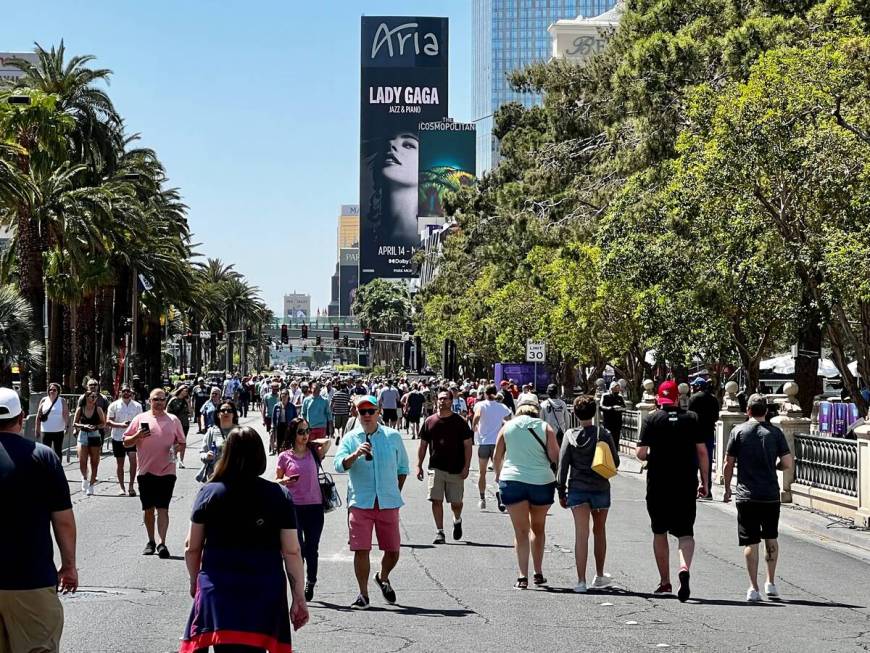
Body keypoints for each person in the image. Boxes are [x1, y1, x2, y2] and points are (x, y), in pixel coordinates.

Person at [180, 426, 308, 652]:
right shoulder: (279, 495)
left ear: (226, 453)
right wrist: (298, 596)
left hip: (219, 589)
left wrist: (194, 581)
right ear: (259, 455)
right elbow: (292, 551)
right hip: (264, 589)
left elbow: (192, 546)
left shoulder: (209, 492)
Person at [0, 387, 78, 653]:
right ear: (22, 417)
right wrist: (69, 566)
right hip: (31, 580)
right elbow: (63, 521)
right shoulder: (43, 456)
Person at [333, 395, 409, 609]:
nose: (366, 415)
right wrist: (355, 455)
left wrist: (394, 491)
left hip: (387, 502)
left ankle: (382, 576)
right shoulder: (350, 438)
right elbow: (339, 465)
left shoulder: (392, 436)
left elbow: (403, 468)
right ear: (356, 413)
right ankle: (363, 594)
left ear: (378, 412)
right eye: (362, 411)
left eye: (370, 411)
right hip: (361, 501)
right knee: (361, 549)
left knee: (393, 550)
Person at [636, 380, 709, 602]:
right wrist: (705, 482)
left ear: (659, 399)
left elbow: (640, 453)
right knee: (685, 533)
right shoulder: (692, 419)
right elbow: (703, 452)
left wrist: (654, 457)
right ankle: (684, 567)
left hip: (658, 482)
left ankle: (665, 581)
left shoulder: (652, 419)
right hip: (685, 482)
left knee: (659, 531)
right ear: (678, 398)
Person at [723, 394, 793, 602]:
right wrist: (775, 466)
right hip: (770, 494)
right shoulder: (775, 433)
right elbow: (787, 462)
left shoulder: (738, 431)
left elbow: (728, 463)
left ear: (748, 411)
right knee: (771, 537)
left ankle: (753, 588)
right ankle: (770, 583)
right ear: (766, 411)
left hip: (746, 495)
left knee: (750, 542)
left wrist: (727, 488)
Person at [494, 394, 559, 589]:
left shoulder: (507, 427)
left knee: (520, 531)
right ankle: (538, 572)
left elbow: (497, 456)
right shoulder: (545, 427)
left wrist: (498, 476)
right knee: (538, 528)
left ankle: (522, 576)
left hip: (513, 480)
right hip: (541, 481)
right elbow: (555, 456)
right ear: (536, 409)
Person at [557, 395, 618, 593]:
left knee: (581, 535)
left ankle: (581, 581)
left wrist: (561, 491)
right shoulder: (604, 434)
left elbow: (562, 466)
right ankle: (599, 575)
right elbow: (615, 462)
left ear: (574, 413)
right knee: (599, 532)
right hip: (600, 488)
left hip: (578, 488)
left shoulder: (569, 435)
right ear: (595, 412)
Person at [123, 388, 187, 559]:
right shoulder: (140, 419)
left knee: (163, 508)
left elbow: (182, 442)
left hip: (167, 471)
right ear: (149, 401)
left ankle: (162, 543)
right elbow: (125, 441)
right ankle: (151, 541)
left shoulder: (173, 420)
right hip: (145, 471)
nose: (159, 402)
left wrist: (177, 449)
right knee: (148, 509)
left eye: (161, 399)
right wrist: (137, 435)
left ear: (165, 401)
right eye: (155, 399)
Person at [276, 418, 332, 601]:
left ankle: (311, 581)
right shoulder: (284, 456)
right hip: (293, 508)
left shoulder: (314, 452)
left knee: (312, 548)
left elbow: (328, 442)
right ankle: (298, 584)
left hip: (315, 507)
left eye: (307, 431)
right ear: (293, 434)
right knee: (296, 548)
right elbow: (276, 481)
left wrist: (314, 440)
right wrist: (284, 481)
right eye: (300, 432)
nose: (305, 435)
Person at [415, 390, 473, 544]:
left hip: (456, 468)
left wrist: (466, 466)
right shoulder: (429, 421)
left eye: (445, 399)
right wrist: (419, 465)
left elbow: (468, 445)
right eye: (440, 399)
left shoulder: (460, 422)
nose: (442, 401)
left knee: (456, 503)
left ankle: (457, 519)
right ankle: (440, 531)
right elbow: (423, 445)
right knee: (436, 500)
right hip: (436, 467)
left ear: (451, 401)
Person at [472, 385, 512, 511]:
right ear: (496, 393)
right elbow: (509, 418)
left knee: (482, 472)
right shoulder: (502, 406)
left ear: (484, 393)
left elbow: (477, 415)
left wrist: (474, 427)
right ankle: (501, 496)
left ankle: (482, 498)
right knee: (499, 473)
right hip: (497, 443)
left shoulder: (480, 405)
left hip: (484, 442)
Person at [106, 385, 143, 496]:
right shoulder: (114, 405)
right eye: (124, 391)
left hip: (132, 438)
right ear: (120, 392)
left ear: (131, 393)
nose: (126, 393)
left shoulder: (137, 406)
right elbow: (108, 421)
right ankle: (122, 487)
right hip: (118, 437)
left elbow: (141, 420)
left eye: (128, 391)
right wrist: (120, 425)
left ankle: (131, 486)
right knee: (120, 463)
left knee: (133, 462)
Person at [688, 378, 720, 500]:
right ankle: (707, 489)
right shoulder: (713, 399)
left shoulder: (693, 399)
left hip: (694, 434)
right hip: (708, 434)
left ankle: (695, 488)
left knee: (694, 462)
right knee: (707, 462)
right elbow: (716, 417)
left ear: (697, 387)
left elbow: (689, 415)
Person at [73, 391, 107, 496]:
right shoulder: (80, 409)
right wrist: (84, 426)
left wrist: (95, 427)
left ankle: (91, 485)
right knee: (82, 460)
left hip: (95, 435)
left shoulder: (98, 409)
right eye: (92, 396)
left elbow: (103, 423)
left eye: (95, 396)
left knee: (94, 461)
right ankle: (84, 478)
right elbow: (75, 423)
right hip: (83, 435)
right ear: (86, 397)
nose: (94, 398)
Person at [198, 400, 238, 482]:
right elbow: (202, 453)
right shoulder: (211, 431)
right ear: (218, 414)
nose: (226, 412)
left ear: (233, 414)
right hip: (214, 475)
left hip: (235, 476)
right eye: (223, 410)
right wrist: (207, 456)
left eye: (229, 411)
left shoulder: (240, 432)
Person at [35, 382, 69, 458]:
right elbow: (38, 415)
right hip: (46, 430)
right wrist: (37, 429)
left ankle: (57, 467)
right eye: (50, 390)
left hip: (58, 430)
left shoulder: (62, 401)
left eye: (54, 390)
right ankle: (46, 468)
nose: (52, 391)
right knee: (45, 451)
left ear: (58, 391)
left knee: (58, 450)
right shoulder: (44, 400)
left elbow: (65, 414)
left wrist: (66, 426)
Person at [167, 384, 191, 469]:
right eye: (185, 390)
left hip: (185, 424)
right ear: (181, 390)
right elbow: (167, 412)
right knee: (175, 442)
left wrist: (188, 403)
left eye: (187, 391)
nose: (187, 392)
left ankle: (181, 461)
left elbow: (191, 413)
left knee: (183, 443)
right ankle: (174, 458)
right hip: (175, 424)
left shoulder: (186, 401)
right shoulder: (173, 400)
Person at [600, 381, 626, 452]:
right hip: (608, 421)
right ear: (611, 388)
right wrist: (611, 408)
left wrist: (619, 408)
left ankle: (615, 453)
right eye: (615, 389)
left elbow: (624, 407)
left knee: (616, 439)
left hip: (617, 421)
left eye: (618, 389)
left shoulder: (620, 397)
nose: (617, 390)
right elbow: (601, 406)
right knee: (608, 437)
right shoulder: (605, 396)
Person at [271, 388, 298, 455]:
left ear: (288, 396)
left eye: (286, 394)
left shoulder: (292, 406)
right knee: (279, 443)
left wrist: (295, 427)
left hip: (288, 427)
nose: (284, 396)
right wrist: (273, 427)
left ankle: (287, 457)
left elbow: (295, 418)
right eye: (282, 394)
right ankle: (280, 456)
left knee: (288, 443)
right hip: (279, 427)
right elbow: (273, 418)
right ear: (280, 396)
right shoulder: (276, 406)